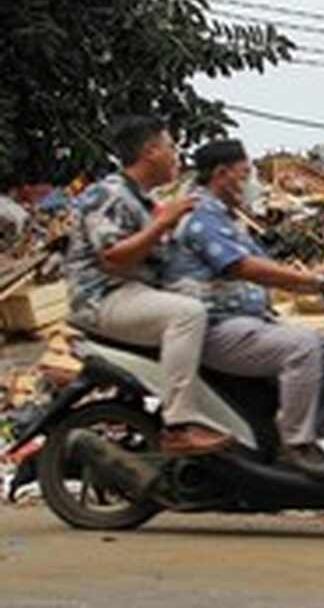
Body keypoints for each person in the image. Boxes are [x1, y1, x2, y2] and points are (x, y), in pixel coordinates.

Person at [163, 139, 324, 480]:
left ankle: (314, 440)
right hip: (215, 327)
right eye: (245, 173)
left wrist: (317, 276)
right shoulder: (200, 217)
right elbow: (243, 267)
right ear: (221, 174)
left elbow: (266, 264)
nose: (251, 182)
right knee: (303, 349)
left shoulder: (226, 218)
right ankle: (295, 446)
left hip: (245, 323)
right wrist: (308, 280)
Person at [64, 116, 232, 455]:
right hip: (104, 297)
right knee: (187, 314)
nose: (176, 156)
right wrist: (163, 223)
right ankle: (179, 426)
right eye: (171, 147)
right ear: (150, 151)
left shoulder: (141, 199)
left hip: (134, 293)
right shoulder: (108, 194)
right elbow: (113, 257)